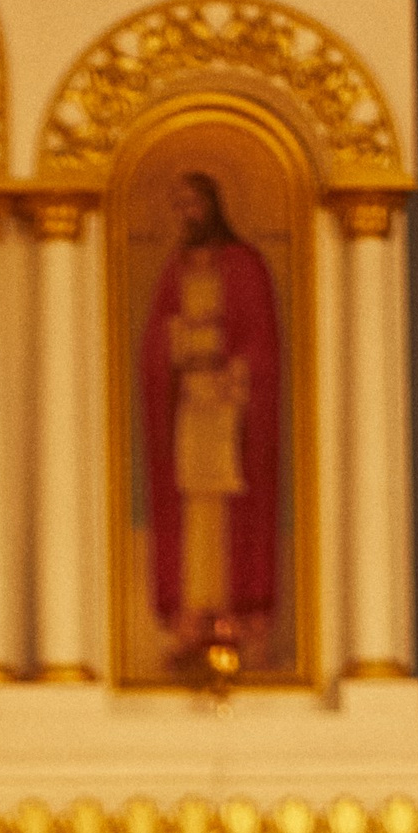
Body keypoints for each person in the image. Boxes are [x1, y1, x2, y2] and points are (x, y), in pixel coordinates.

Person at [139, 167, 279, 643]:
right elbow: (156, 341)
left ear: (213, 205)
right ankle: (194, 609)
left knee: (229, 501)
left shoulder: (245, 265)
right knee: (193, 503)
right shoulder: (175, 270)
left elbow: (261, 340)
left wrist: (233, 371)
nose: (185, 215)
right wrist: (175, 347)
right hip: (190, 403)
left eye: (191, 204)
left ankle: (237, 608)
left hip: (229, 405)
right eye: (178, 206)